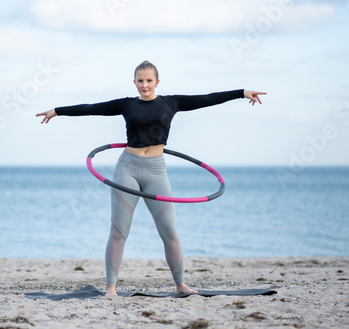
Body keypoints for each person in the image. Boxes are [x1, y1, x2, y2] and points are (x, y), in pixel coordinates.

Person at [36, 61, 266, 297]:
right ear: (134, 82)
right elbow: (91, 107)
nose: (144, 85)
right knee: (118, 231)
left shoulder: (171, 103)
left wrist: (241, 93)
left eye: (149, 80)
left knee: (169, 231)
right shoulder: (126, 105)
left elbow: (207, 98)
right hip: (128, 169)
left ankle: (181, 285)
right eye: (140, 81)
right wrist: (58, 110)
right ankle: (111, 288)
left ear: (157, 82)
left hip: (157, 170)